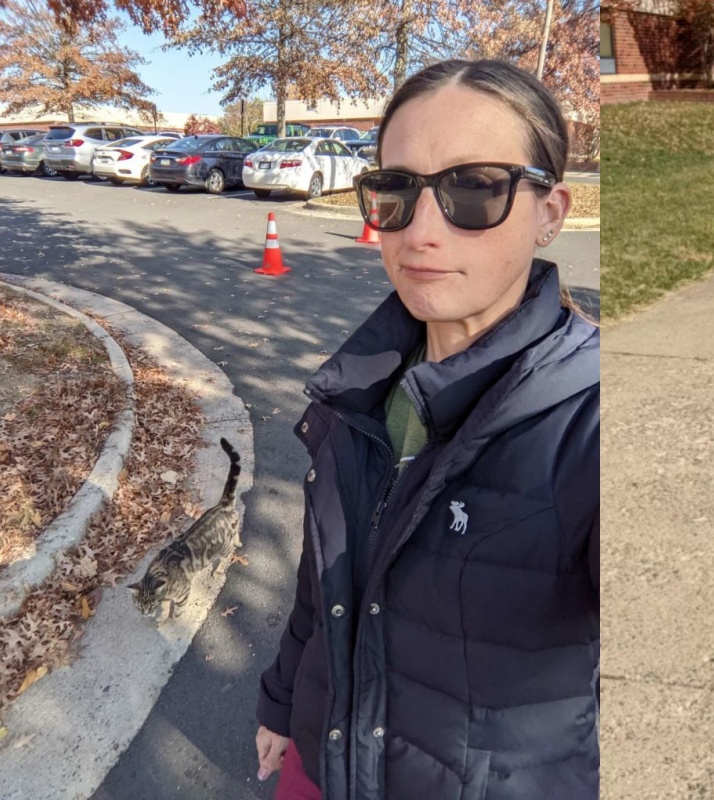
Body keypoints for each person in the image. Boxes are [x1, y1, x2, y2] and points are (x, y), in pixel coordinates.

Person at [253, 58, 599, 800]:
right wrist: (283, 704)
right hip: (317, 767)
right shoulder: (359, 389)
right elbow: (325, 583)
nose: (422, 230)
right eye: (397, 191)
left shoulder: (587, 420)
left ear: (551, 211)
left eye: (475, 189)